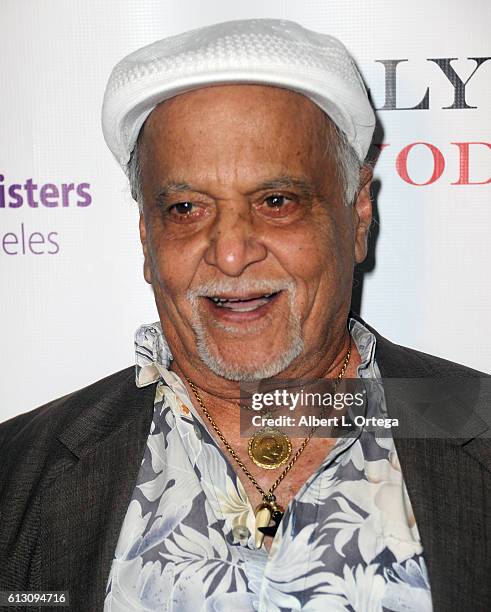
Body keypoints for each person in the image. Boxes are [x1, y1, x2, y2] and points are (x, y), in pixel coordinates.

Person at [0, 19, 489, 612]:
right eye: (185, 208)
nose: (231, 252)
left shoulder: (478, 428)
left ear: (358, 214)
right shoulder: (17, 473)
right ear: (146, 240)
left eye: (276, 201)